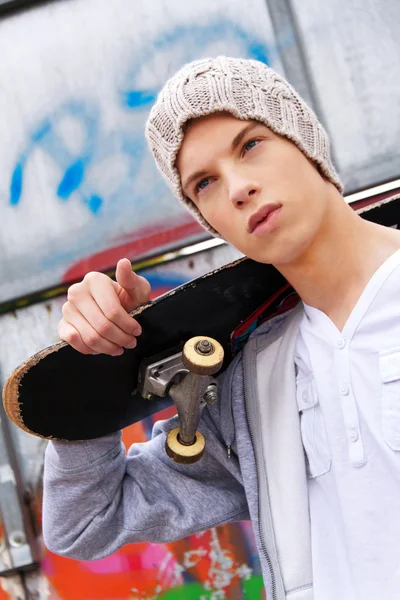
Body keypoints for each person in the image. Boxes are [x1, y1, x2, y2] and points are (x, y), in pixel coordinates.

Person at [43, 57, 400, 600]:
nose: (237, 188)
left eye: (250, 144)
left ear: (304, 141)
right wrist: (102, 364)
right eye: (204, 182)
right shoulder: (254, 385)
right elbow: (86, 523)